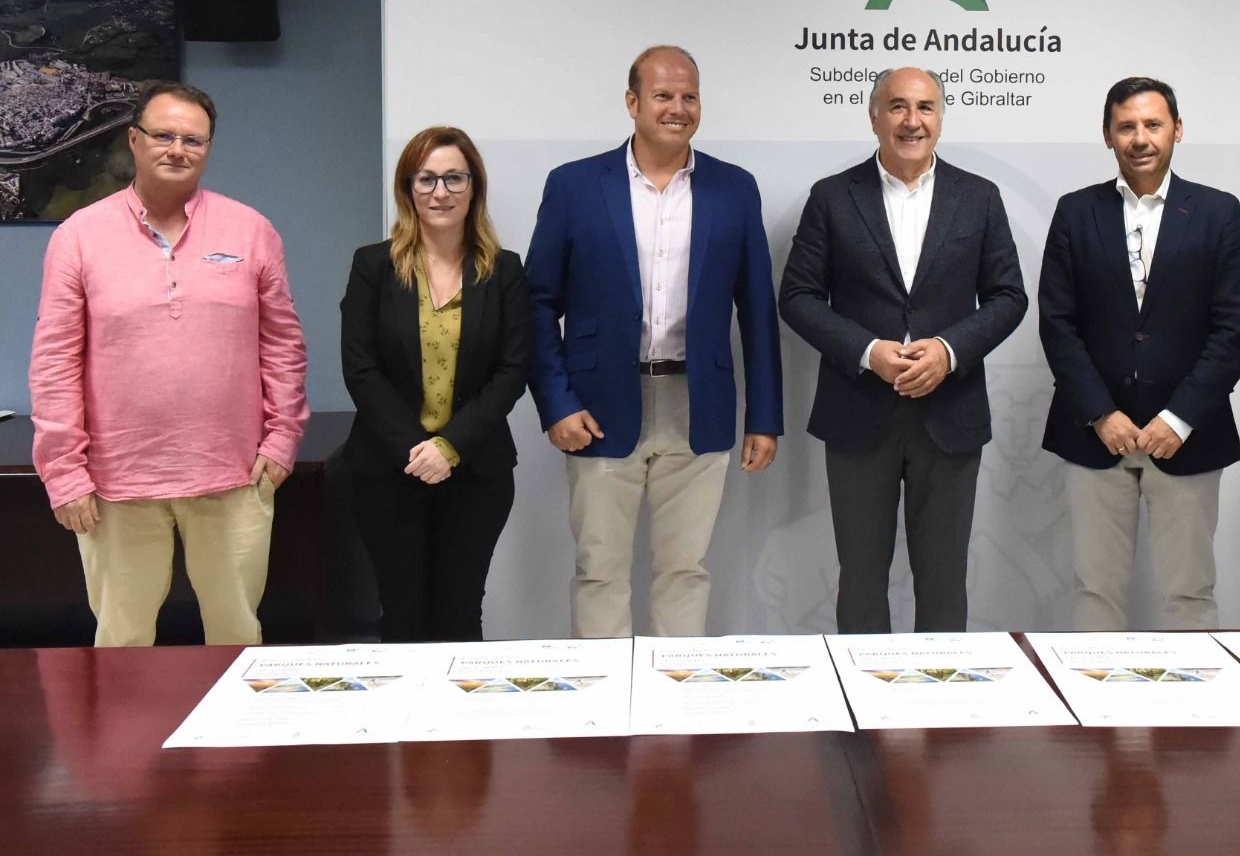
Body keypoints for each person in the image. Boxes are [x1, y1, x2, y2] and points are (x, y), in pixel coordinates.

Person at [29, 80, 308, 647]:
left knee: (236, 641)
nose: (177, 149)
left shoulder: (251, 231)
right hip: (115, 484)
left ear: (208, 149)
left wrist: (282, 441)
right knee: (122, 646)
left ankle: (236, 742)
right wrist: (64, 472)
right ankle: (124, 742)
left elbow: (283, 344)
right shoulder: (79, 236)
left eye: (194, 140)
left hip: (232, 476)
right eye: (163, 135)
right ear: (134, 141)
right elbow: (54, 359)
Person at [525, 45, 782, 639]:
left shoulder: (734, 189)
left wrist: (764, 417)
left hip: (701, 402)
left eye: (689, 96)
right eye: (663, 95)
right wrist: (556, 403)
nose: (678, 107)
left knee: (684, 570)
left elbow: (757, 311)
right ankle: (604, 718)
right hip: (597, 405)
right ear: (632, 102)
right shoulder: (574, 186)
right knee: (599, 571)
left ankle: (675, 712)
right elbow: (537, 304)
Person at [779, 66, 1026, 633]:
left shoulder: (980, 198)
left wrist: (948, 350)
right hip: (858, 411)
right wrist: (867, 351)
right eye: (897, 107)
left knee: (943, 581)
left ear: (940, 118)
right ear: (874, 116)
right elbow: (797, 295)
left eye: (925, 108)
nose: (912, 121)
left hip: (951, 412)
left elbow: (1009, 297)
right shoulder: (833, 197)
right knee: (861, 580)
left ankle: (938, 719)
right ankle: (866, 718)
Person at [1038, 76, 1240, 631]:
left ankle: (1194, 718)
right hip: (1094, 433)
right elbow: (1057, 324)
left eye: (1153, 124)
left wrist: (1178, 418)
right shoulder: (1075, 212)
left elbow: (1233, 328)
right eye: (1126, 126)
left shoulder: (1218, 212)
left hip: (1189, 432)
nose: (1140, 138)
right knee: (1096, 591)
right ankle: (1097, 716)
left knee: (1190, 593)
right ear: (1107, 136)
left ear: (1177, 131)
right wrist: (1100, 413)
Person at [339, 126, 531, 642]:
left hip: (476, 471)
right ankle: (403, 725)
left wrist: (449, 447)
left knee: (461, 612)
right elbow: (360, 368)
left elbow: (512, 372)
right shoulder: (373, 266)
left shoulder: (505, 271)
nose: (440, 192)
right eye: (426, 179)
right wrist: (416, 448)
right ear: (408, 189)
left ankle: (458, 726)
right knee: (401, 612)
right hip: (388, 468)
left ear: (474, 188)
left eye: (453, 178)